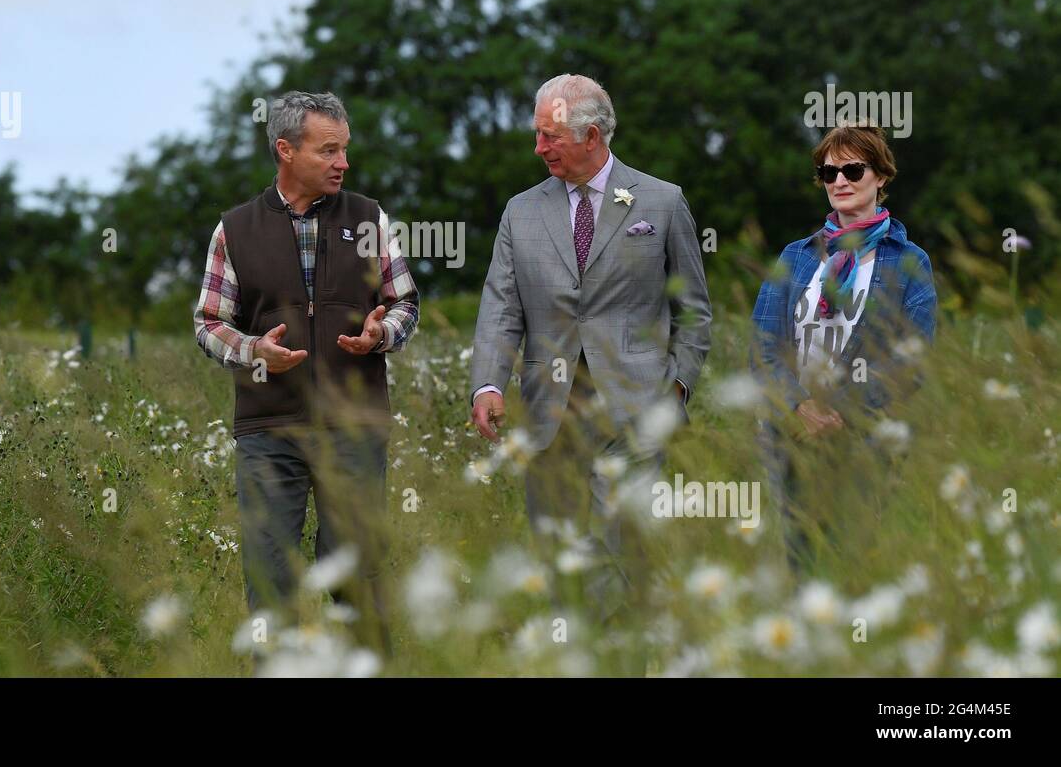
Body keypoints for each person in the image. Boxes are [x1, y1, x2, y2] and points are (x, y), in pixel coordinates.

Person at [469, 73, 712, 615]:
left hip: (635, 409)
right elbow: (500, 307)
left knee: (625, 550)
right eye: (538, 134)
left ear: (593, 136)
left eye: (550, 136)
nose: (538, 148)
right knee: (559, 557)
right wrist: (488, 383)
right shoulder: (520, 212)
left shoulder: (664, 202)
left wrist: (676, 388)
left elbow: (693, 311)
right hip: (548, 414)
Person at [194, 90, 419, 656]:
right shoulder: (235, 230)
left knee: (356, 573)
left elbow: (405, 305)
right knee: (271, 576)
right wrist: (252, 352)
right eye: (329, 150)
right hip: (269, 430)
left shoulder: (370, 218)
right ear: (285, 150)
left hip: (355, 426)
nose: (343, 162)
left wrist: (381, 335)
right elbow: (208, 322)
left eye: (345, 150)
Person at [750, 119, 937, 575]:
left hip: (864, 434)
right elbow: (763, 347)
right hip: (792, 432)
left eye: (853, 171)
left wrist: (844, 408)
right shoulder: (796, 255)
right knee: (800, 557)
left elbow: (913, 358)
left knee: (855, 559)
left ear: (881, 177)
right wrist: (800, 406)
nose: (839, 182)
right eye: (828, 173)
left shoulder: (909, 261)